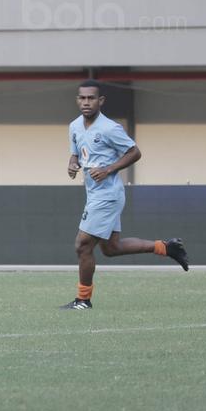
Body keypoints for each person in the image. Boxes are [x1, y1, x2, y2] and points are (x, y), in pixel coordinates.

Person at [62, 80, 189, 309]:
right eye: (82, 98)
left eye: (91, 98)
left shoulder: (110, 128)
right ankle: (166, 247)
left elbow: (135, 152)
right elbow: (76, 154)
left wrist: (110, 168)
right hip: (93, 194)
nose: (86, 102)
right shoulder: (74, 126)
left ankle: (83, 300)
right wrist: (72, 164)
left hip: (108, 194)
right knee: (111, 249)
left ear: (101, 101)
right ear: (77, 100)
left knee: (82, 245)